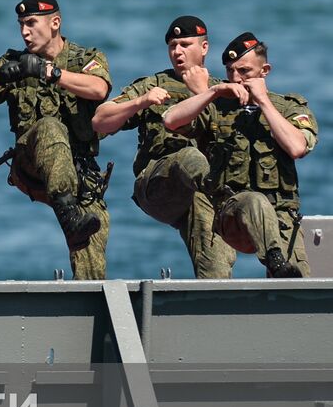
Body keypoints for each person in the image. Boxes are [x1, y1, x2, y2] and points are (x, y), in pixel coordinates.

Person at [0, 0, 112, 280]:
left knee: (91, 248)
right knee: (50, 127)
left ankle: (89, 311)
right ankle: (68, 211)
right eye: (20, 25)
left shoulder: (85, 58)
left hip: (79, 176)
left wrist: (50, 73)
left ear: (55, 22)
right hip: (32, 165)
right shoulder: (13, 62)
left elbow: (99, 89)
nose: (24, 32)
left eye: (31, 23)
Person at [161, 32, 317, 278]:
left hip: (281, 217)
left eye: (244, 72)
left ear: (264, 70)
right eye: (230, 71)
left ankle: (280, 270)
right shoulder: (219, 107)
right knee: (254, 201)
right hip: (232, 212)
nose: (236, 79)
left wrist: (263, 101)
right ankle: (274, 260)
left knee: (300, 286)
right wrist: (211, 93)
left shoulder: (288, 108)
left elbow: (298, 147)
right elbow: (170, 120)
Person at [91, 16, 236, 279]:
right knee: (190, 158)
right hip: (158, 185)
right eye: (173, 46)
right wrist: (140, 102)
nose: (177, 52)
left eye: (185, 44)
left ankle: (216, 294)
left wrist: (202, 92)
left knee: (208, 219)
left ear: (204, 48)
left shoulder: (222, 91)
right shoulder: (154, 85)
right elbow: (100, 121)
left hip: (205, 192)